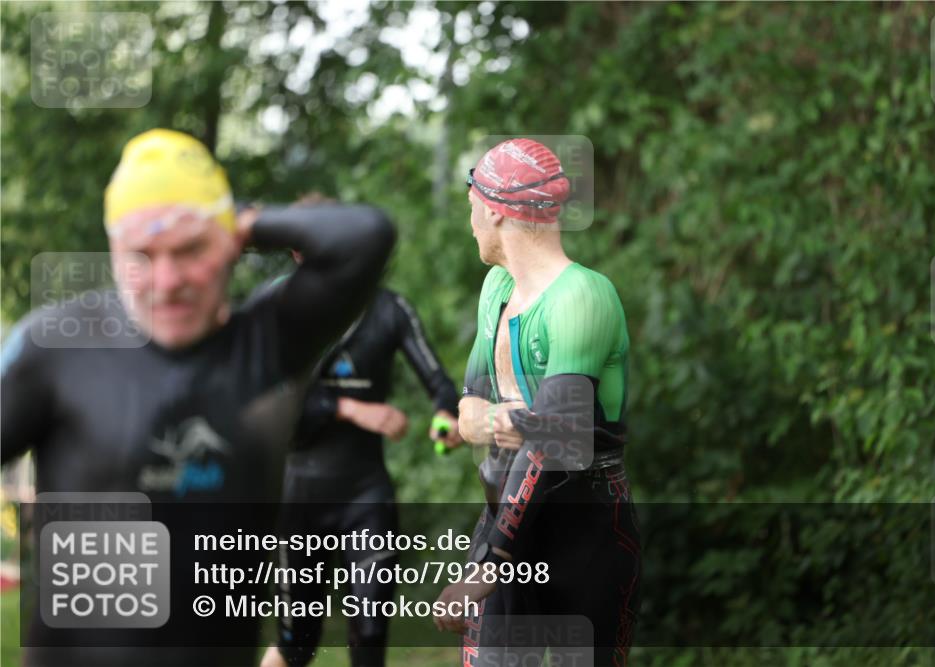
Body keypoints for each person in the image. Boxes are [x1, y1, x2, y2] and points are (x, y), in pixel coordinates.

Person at [0, 128, 396, 666]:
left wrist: (240, 217)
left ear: (231, 240)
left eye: (190, 249)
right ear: (113, 248)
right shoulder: (56, 347)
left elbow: (366, 235)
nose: (166, 280)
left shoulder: (267, 344)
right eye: (141, 253)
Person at [432, 139, 642, 666]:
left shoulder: (582, 297)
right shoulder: (496, 286)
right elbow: (469, 410)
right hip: (505, 515)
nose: (470, 221)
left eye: (473, 206)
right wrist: (513, 421)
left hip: (585, 527)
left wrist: (487, 563)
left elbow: (553, 441)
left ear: (498, 211)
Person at [259, 201, 462, 667]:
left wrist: (446, 414)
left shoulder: (389, 308)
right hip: (298, 495)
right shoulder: (275, 306)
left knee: (368, 636)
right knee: (296, 645)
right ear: (295, 251)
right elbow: (271, 403)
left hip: (365, 495)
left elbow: (438, 380)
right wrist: (352, 409)